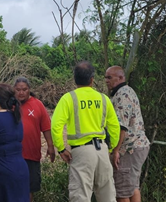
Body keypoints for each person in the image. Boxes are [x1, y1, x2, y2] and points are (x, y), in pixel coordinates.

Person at [51, 61, 121, 202]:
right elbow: (114, 127)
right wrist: (111, 148)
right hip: (102, 150)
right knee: (107, 195)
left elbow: (56, 126)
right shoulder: (103, 99)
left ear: (75, 79)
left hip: (81, 152)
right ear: (92, 79)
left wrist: (61, 149)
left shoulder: (69, 98)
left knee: (81, 196)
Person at [105, 66, 150, 202]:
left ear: (120, 77)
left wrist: (116, 150)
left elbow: (121, 127)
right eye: (105, 77)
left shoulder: (122, 95)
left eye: (109, 77)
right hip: (138, 146)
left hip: (128, 149)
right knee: (132, 187)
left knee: (122, 191)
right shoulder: (127, 91)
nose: (106, 80)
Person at [14, 77, 55, 201]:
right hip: (13, 155)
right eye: (18, 90)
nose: (21, 92)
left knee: (29, 189)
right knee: (13, 186)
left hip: (31, 155)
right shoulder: (10, 105)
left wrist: (50, 146)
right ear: (13, 90)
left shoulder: (38, 104)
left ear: (29, 90)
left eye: (24, 89)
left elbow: (46, 127)